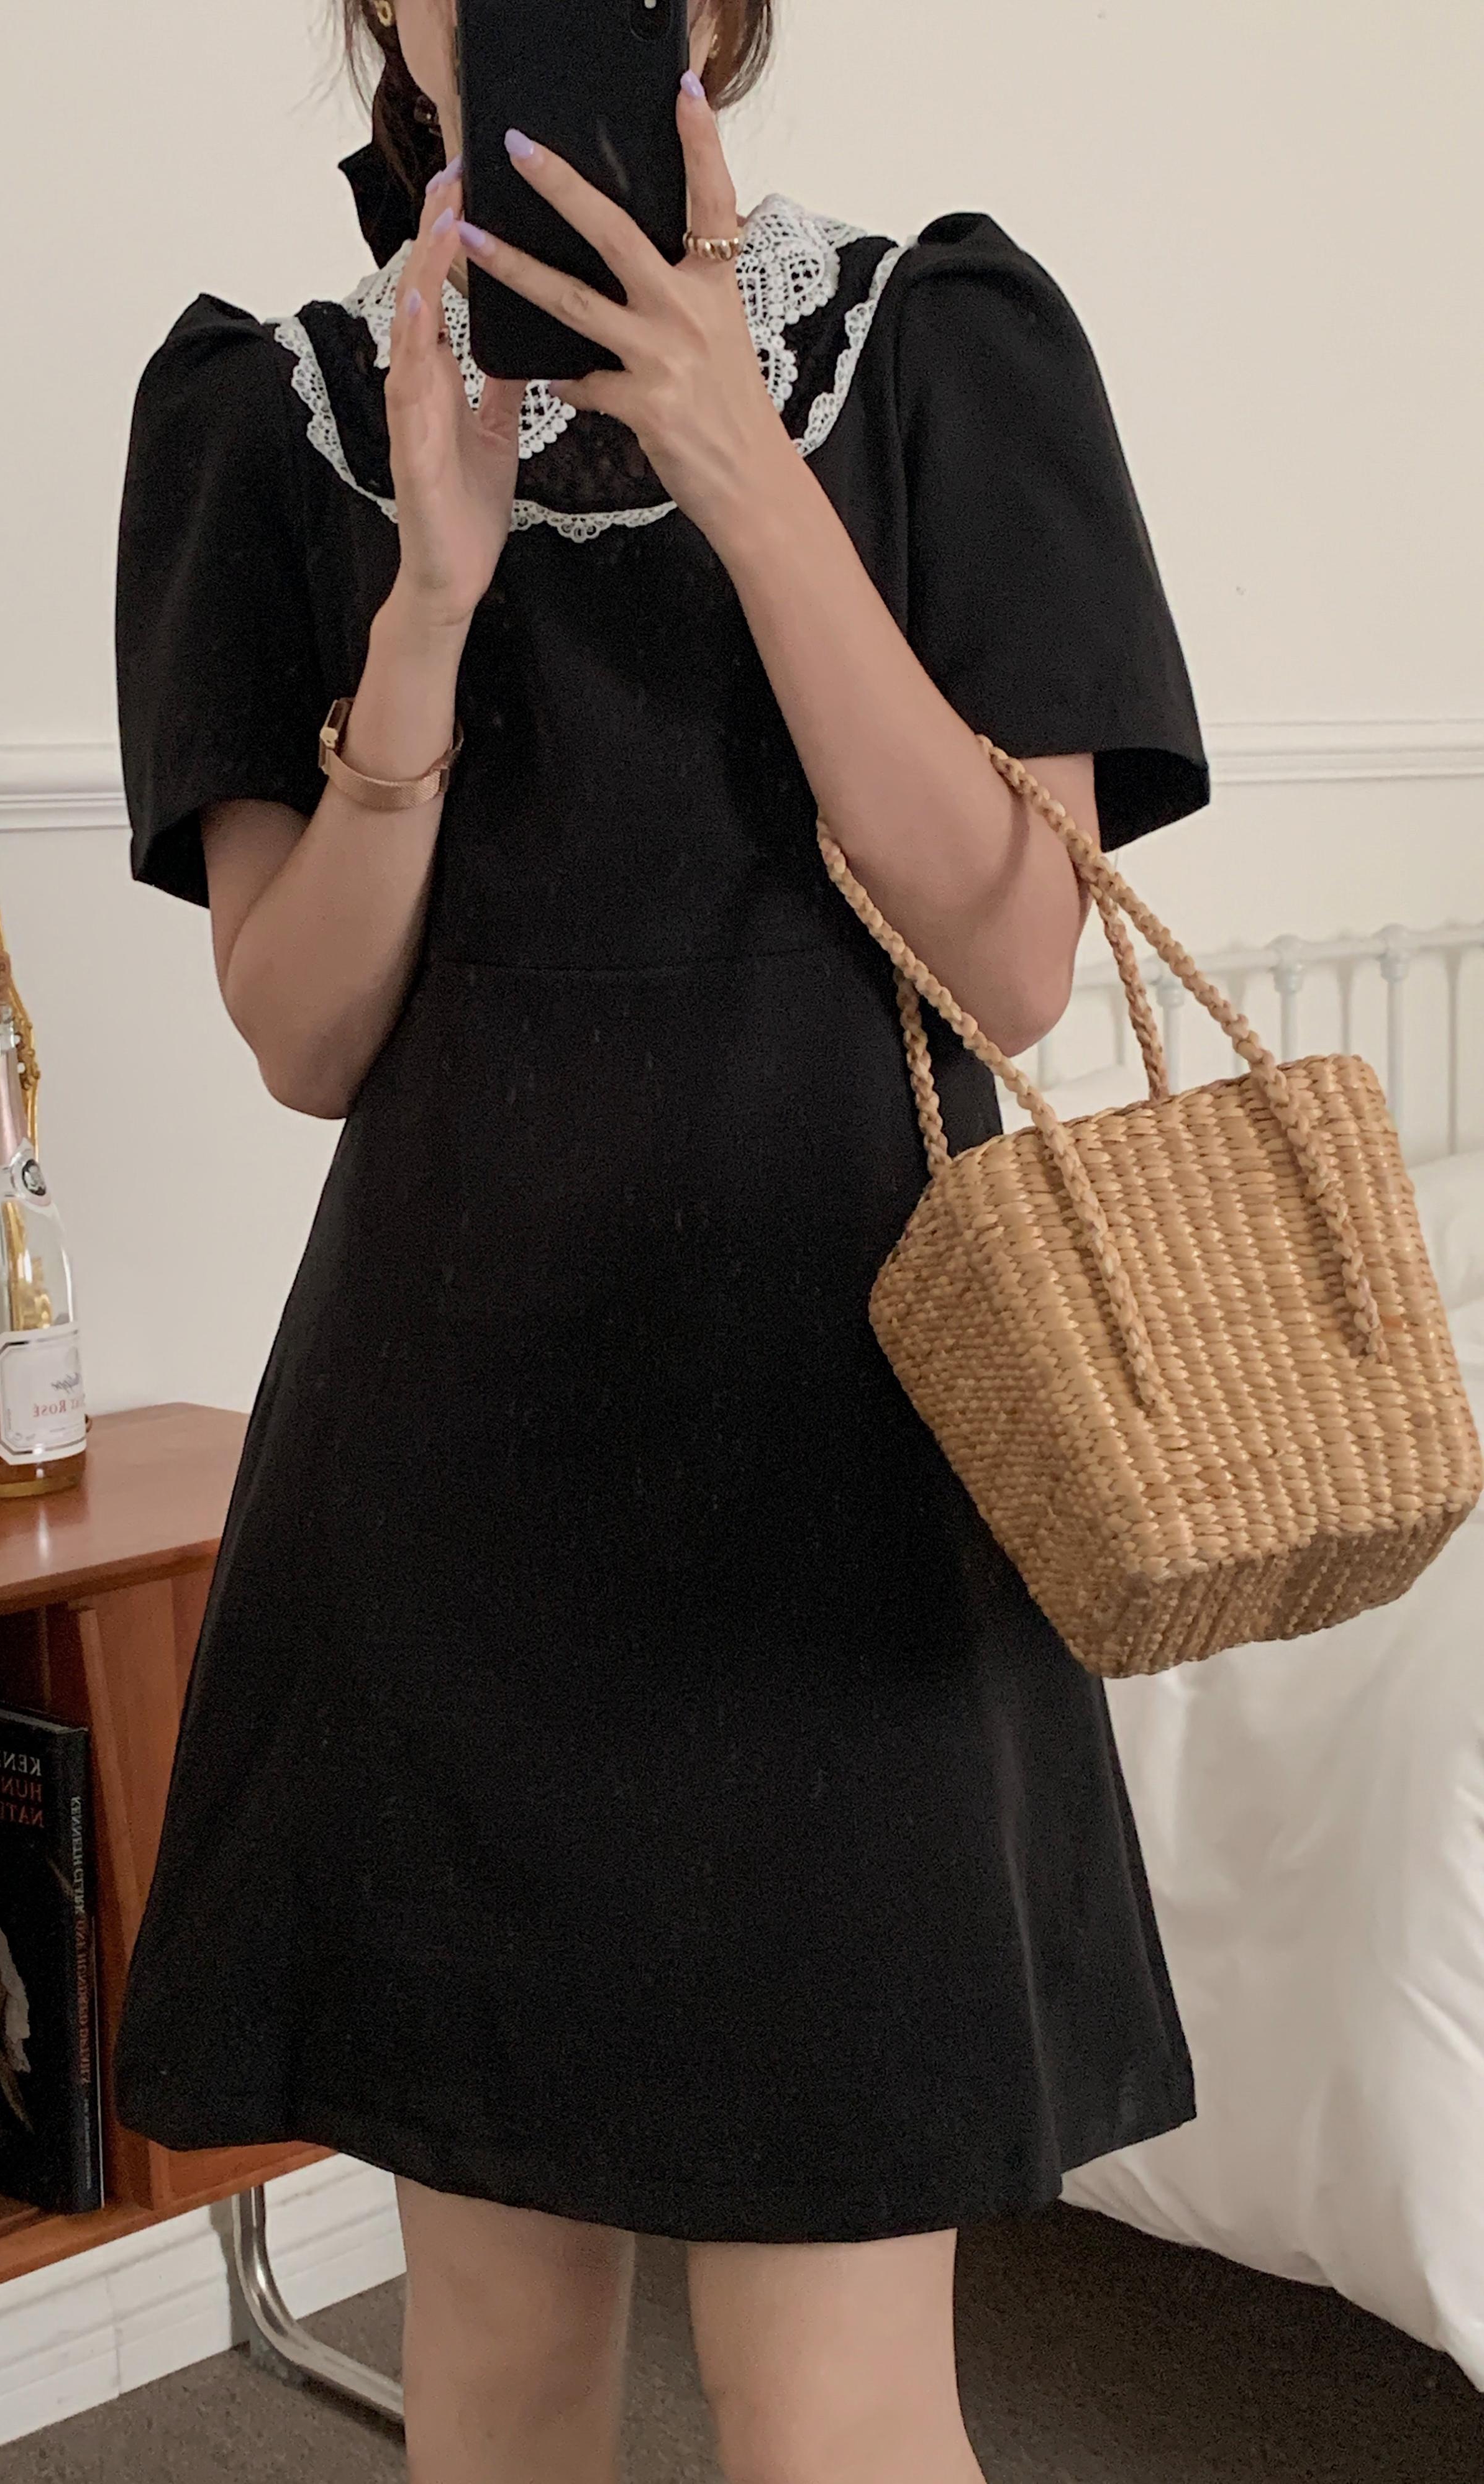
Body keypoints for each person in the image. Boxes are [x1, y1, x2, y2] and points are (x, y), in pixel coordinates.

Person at [111, 4, 1209, 2477]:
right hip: (454, 1498)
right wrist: (429, 603)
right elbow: (305, 1031)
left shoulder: (938, 341)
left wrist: (739, 461)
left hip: (855, 1495)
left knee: (833, 2409)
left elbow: (1015, 957)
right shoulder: (265, 415)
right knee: (500, 2368)